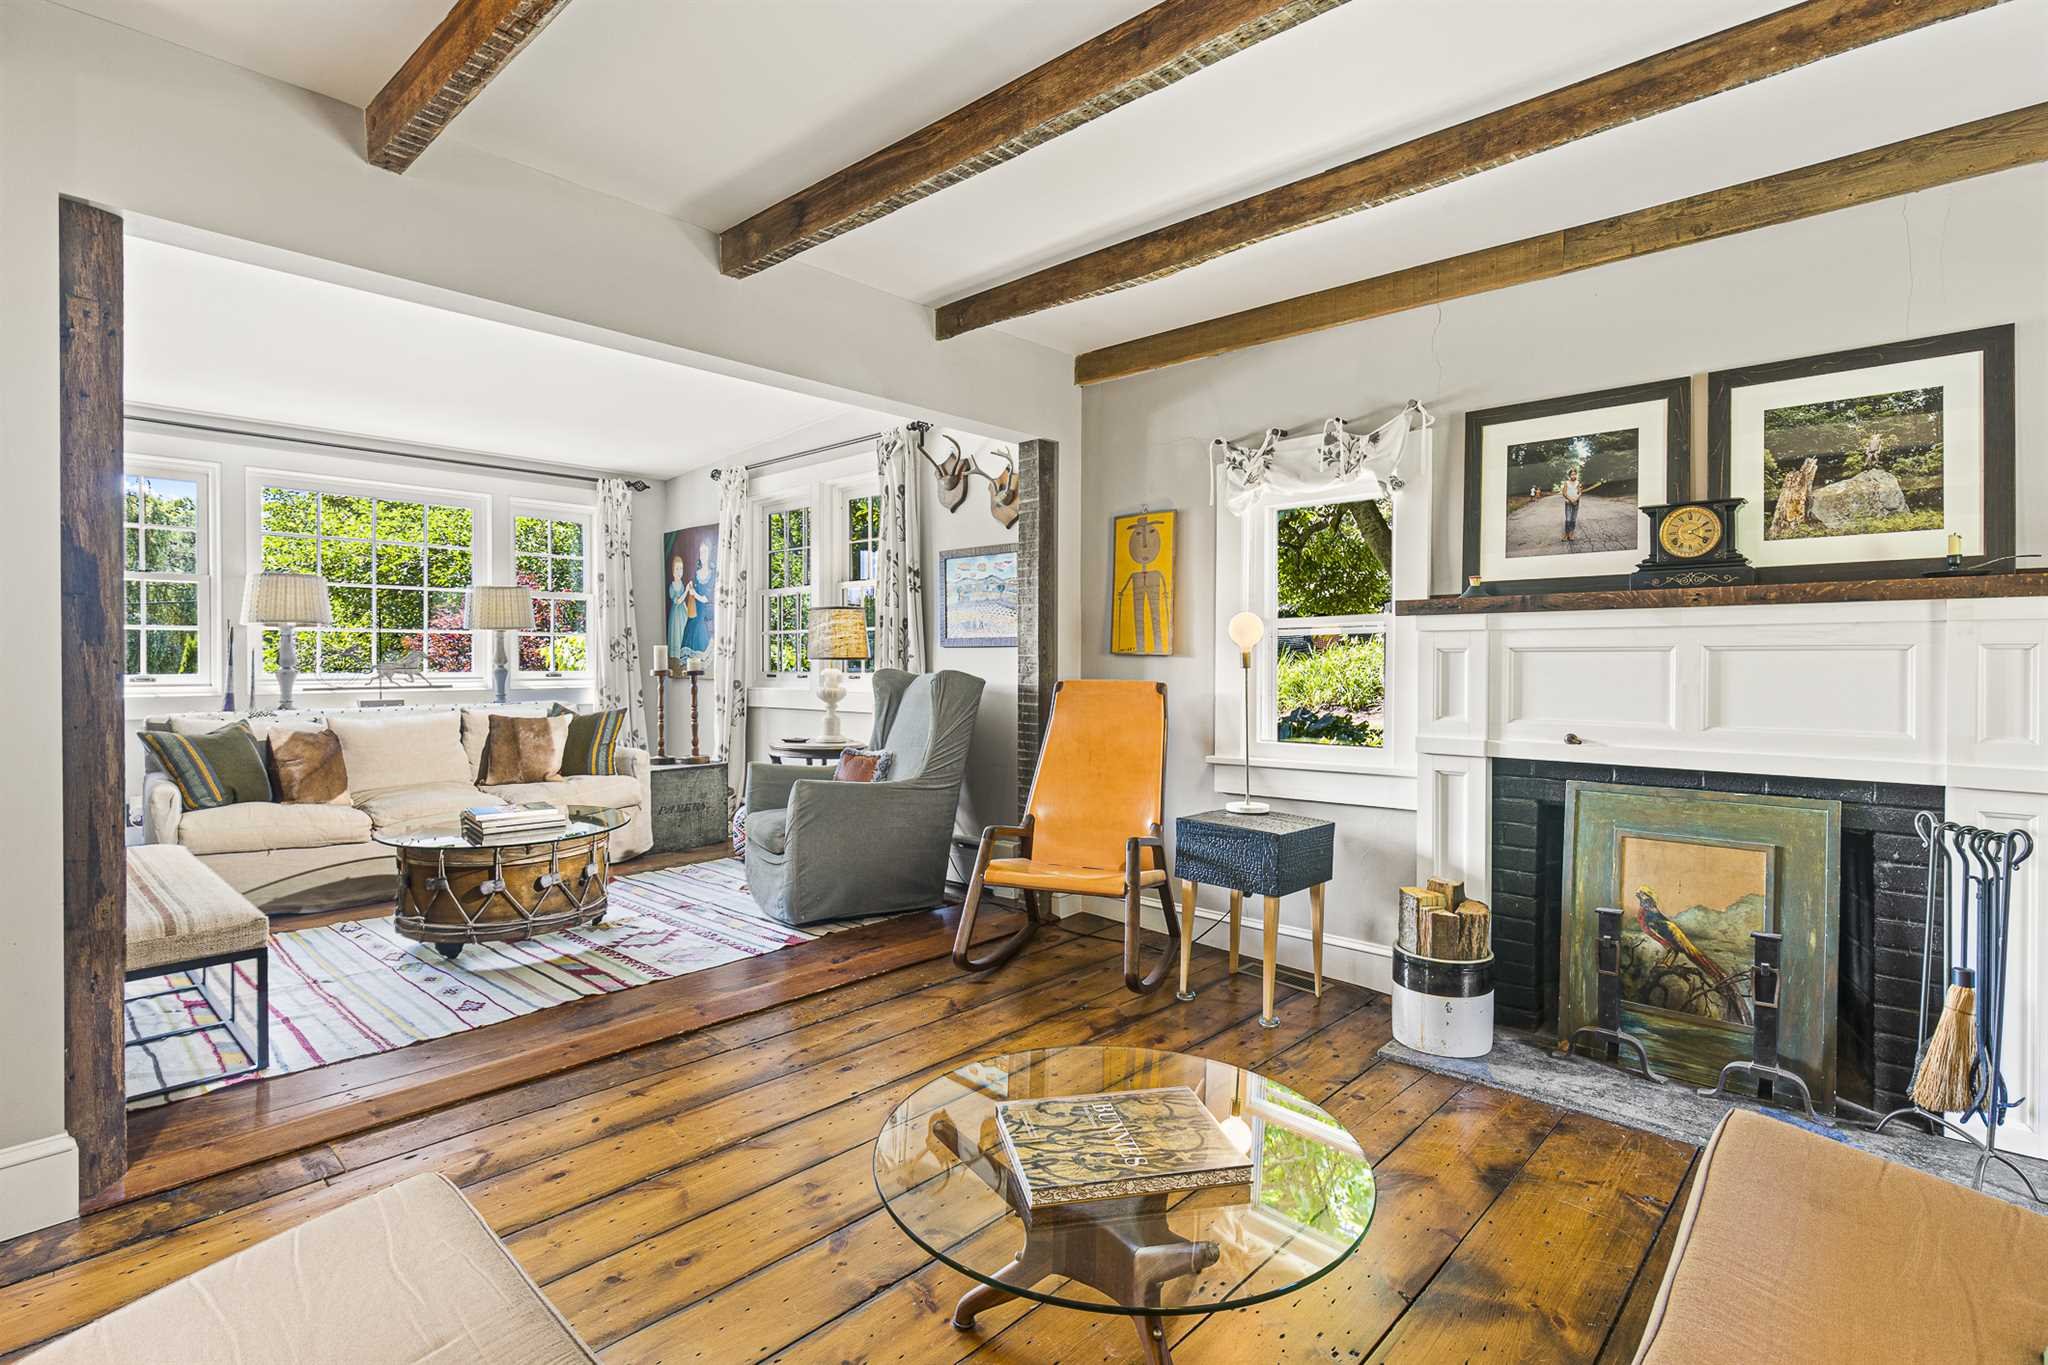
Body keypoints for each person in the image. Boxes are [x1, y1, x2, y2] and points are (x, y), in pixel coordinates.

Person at [1561, 467, 1583, 542]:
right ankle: (1566, 534)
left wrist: (1576, 499)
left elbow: (1580, 492)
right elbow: (1564, 493)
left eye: (1574, 474)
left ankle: (1571, 534)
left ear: (1576, 475)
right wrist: (1571, 500)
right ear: (1569, 475)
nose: (1573, 476)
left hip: (1576, 502)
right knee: (1568, 519)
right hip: (1568, 503)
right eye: (1572, 474)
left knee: (1573, 519)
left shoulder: (1578, 483)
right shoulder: (1566, 483)